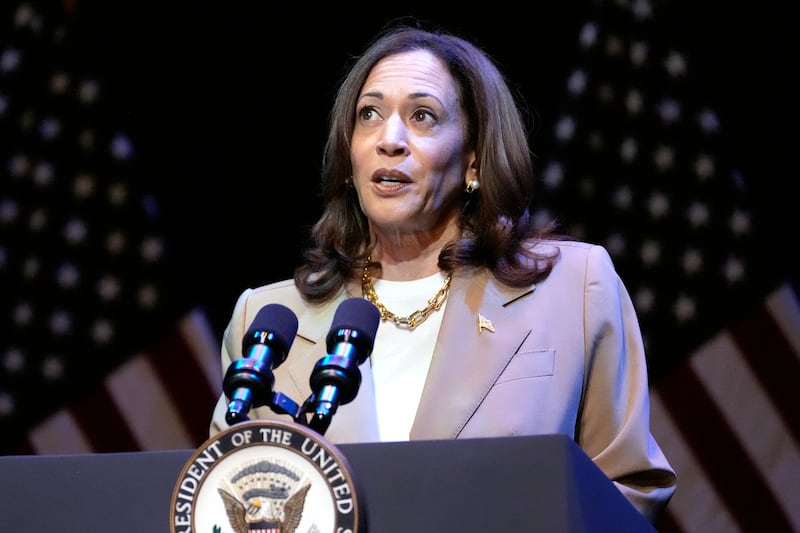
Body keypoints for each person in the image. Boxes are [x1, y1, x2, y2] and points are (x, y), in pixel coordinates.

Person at [209, 20, 677, 522]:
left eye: (423, 116)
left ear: (474, 160)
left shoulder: (575, 288)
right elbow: (222, 497)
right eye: (369, 114)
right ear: (349, 156)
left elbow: (629, 487)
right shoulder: (265, 319)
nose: (390, 139)